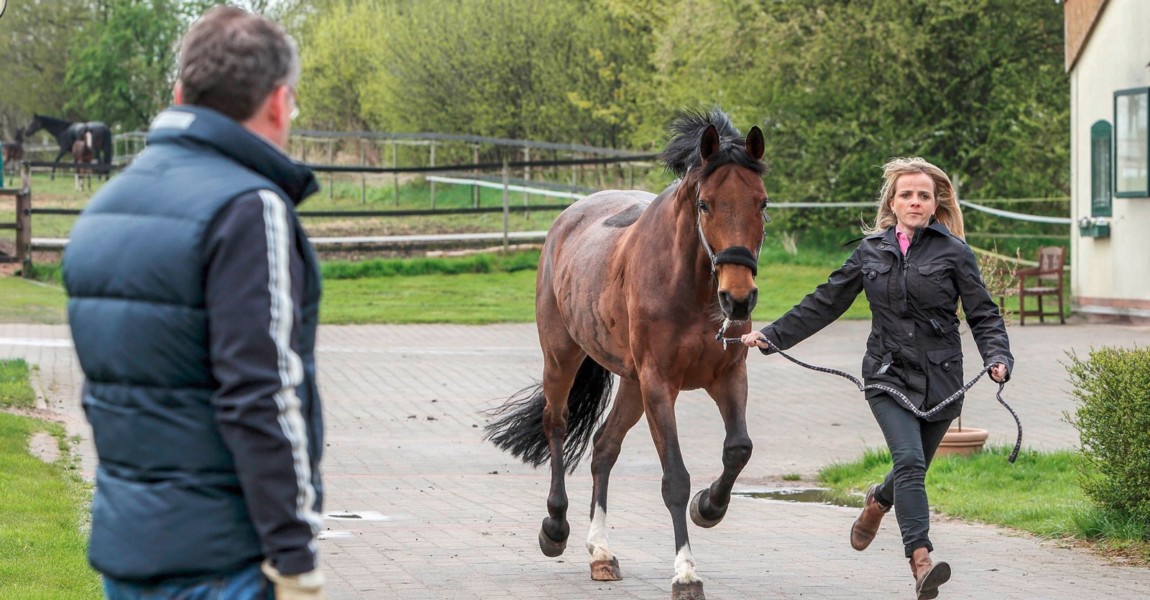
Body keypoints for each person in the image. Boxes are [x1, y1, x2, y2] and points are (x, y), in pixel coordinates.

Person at [62, 6, 325, 599]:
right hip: (227, 558)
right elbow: (261, 393)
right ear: (279, 103)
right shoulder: (248, 209)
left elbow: (106, 392)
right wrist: (295, 556)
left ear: (181, 93)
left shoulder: (101, 210)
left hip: (127, 554)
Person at [742, 157, 1012, 600]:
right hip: (887, 375)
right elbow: (825, 301)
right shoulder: (871, 251)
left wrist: (998, 356)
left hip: (943, 381)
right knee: (909, 462)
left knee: (912, 466)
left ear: (934, 203)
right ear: (892, 200)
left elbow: (983, 315)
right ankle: (921, 561)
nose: (915, 201)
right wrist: (772, 335)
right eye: (906, 194)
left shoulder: (955, 253)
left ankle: (877, 502)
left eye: (923, 195)